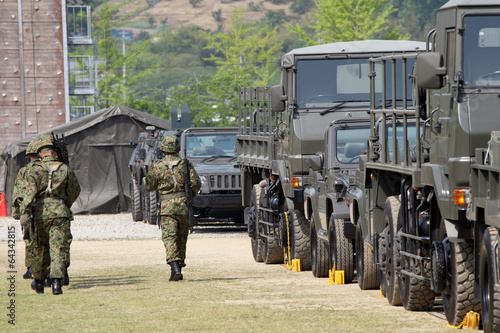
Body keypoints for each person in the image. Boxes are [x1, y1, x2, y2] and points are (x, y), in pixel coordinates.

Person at [19, 134, 81, 294]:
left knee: (40, 247)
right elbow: (75, 190)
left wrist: (24, 212)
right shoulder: (64, 168)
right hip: (60, 213)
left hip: (39, 214)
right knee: (58, 247)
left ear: (40, 154)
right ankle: (56, 284)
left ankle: (39, 282)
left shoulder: (34, 169)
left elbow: (29, 194)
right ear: (54, 152)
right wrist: (65, 204)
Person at [145, 135, 201, 281]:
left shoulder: (158, 166)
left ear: (163, 148)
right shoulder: (185, 165)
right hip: (183, 206)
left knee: (170, 238)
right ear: (176, 148)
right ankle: (179, 266)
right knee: (182, 237)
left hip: (166, 208)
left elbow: (149, 186)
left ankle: (174, 268)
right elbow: (196, 183)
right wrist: (189, 195)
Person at [11, 139, 41, 280]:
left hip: (27, 211)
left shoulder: (24, 171)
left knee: (29, 240)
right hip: (45, 210)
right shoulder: (46, 169)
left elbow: (17, 193)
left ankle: (30, 268)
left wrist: (16, 212)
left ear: (29, 155)